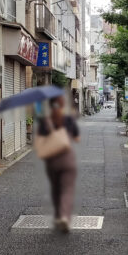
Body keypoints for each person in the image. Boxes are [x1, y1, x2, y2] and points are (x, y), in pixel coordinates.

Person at [37, 96, 80, 233]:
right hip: (67, 159)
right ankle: (64, 217)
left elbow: (40, 143)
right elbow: (77, 139)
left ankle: (57, 215)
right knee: (67, 189)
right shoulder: (68, 119)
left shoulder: (45, 121)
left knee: (56, 188)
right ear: (62, 106)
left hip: (52, 161)